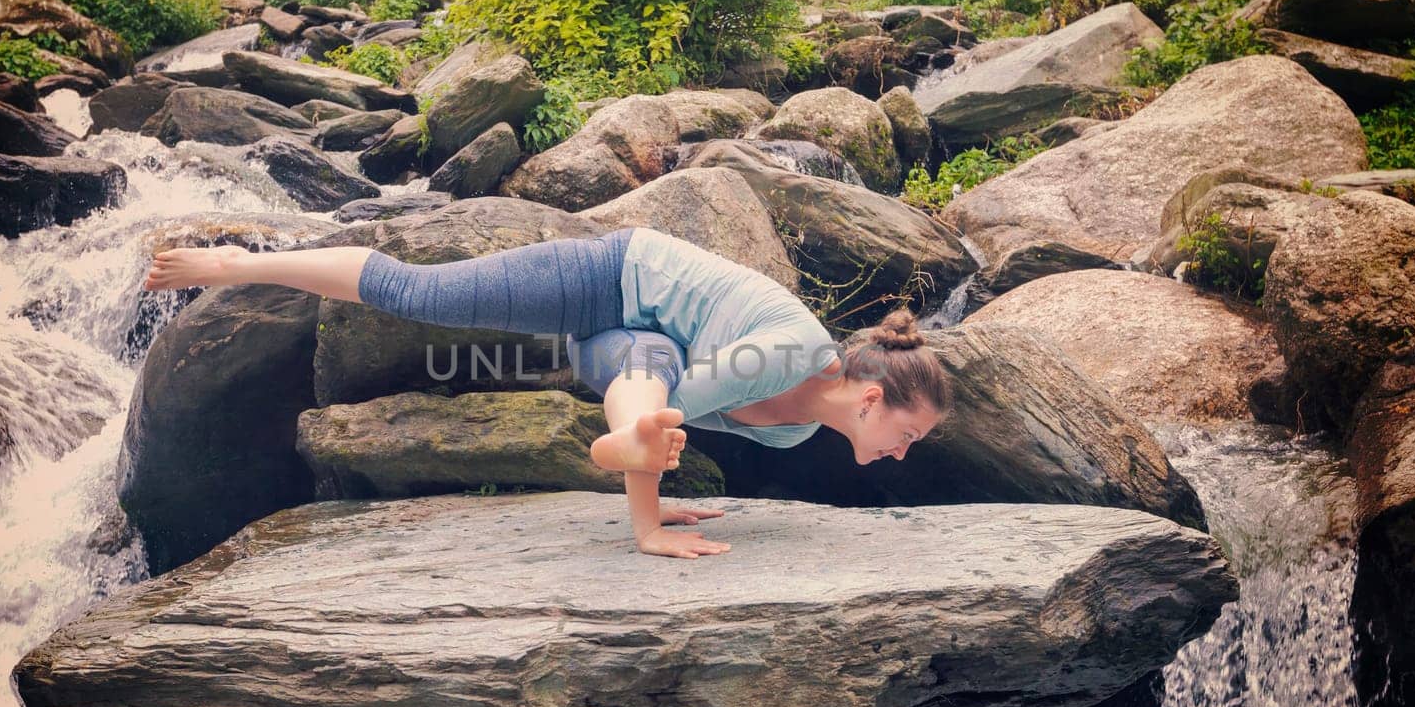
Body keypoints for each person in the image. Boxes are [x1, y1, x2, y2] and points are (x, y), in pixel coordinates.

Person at [142, 226, 952, 560]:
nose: (904, 454)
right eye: (910, 435)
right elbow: (671, 417)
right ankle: (232, 263)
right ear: (875, 398)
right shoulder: (786, 355)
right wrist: (646, 522)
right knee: (418, 294)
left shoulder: (791, 436)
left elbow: (664, 413)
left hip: (629, 349)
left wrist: (651, 511)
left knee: (652, 372)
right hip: (603, 277)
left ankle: (618, 443)